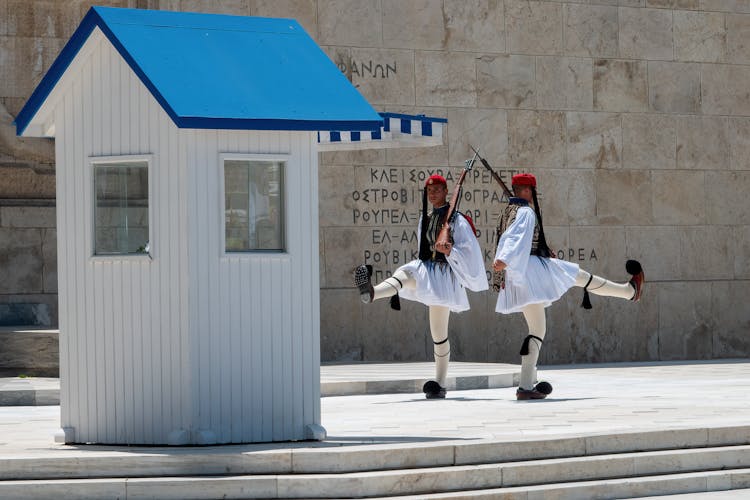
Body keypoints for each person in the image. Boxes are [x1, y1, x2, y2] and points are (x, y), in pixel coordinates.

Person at [493, 173, 644, 400]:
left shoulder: (508, 212)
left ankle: (525, 387)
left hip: (519, 275)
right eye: (528, 190)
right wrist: (503, 258)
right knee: (578, 275)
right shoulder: (525, 211)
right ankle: (628, 292)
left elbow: (513, 238)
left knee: (537, 329)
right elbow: (515, 239)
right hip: (530, 270)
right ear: (529, 191)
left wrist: (532, 253)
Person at [355, 174, 488, 399]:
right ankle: (372, 292)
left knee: (438, 334)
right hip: (427, 270)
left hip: (445, 276)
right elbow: (422, 248)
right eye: (429, 191)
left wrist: (450, 251)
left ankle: (439, 383)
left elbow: (470, 250)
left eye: (437, 189)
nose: (433, 193)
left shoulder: (456, 219)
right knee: (407, 272)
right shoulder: (425, 218)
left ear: (446, 191)